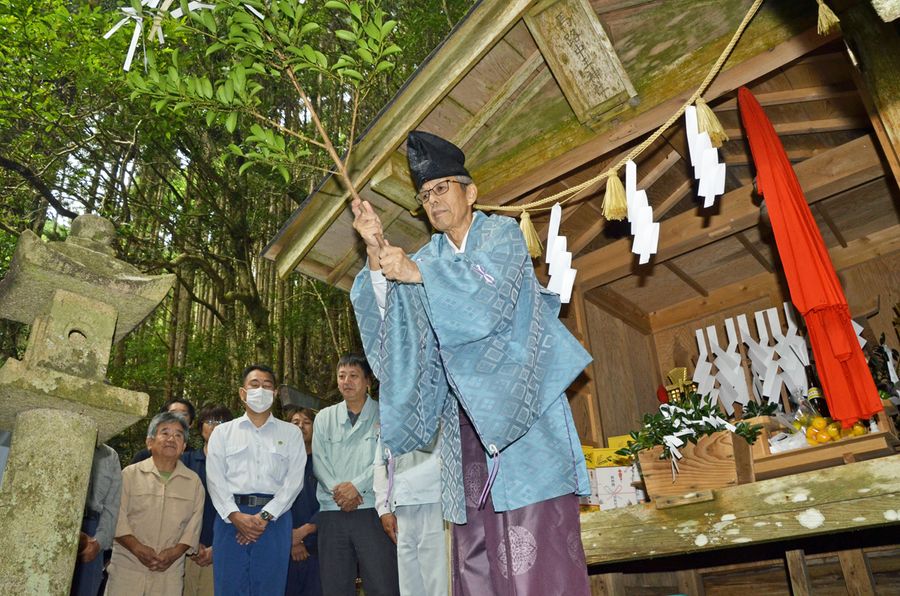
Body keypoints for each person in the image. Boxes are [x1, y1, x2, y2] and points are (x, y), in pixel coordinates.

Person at [350, 130, 592, 595]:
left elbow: (486, 302)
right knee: (478, 564)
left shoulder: (501, 236)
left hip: (526, 433)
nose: (432, 201)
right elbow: (395, 338)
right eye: (424, 195)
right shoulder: (430, 258)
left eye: (442, 188)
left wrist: (417, 272)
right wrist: (376, 252)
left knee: (538, 566)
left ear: (470, 192)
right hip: (466, 439)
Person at [206, 364, 306, 596]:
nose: (260, 390)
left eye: (267, 385)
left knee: (270, 587)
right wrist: (235, 515)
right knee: (229, 587)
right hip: (230, 518)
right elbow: (215, 479)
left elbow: (294, 482)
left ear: (274, 394)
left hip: (274, 519)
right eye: (254, 384)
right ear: (242, 393)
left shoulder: (290, 433)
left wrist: (264, 517)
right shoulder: (222, 433)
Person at [313, 354, 399, 596]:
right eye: (341, 376)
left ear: (368, 381)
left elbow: (386, 460)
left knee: (383, 583)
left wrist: (357, 487)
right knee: (335, 585)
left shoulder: (386, 414)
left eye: (353, 376)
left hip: (372, 510)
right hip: (332, 511)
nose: (346, 381)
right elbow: (319, 463)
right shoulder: (324, 417)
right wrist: (339, 492)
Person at [105, 412, 204, 595]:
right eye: (164, 433)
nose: (171, 439)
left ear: (183, 447)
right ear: (149, 442)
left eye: (178, 435)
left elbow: (193, 527)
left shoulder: (194, 482)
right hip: (127, 568)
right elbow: (116, 517)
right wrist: (137, 548)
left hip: (169, 572)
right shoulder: (129, 475)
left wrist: (174, 553)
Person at [373, 430, 446, 596]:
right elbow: (379, 463)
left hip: (435, 500)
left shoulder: (439, 406)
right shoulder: (389, 414)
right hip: (401, 505)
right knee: (409, 586)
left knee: (438, 582)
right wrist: (383, 508)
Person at [182, 404, 234, 596]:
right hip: (185, 551)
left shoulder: (237, 466)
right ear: (200, 426)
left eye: (221, 422)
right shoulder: (186, 461)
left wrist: (217, 548)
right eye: (210, 421)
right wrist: (190, 544)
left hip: (223, 550)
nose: (215, 426)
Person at [71, 443, 122, 596]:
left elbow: (113, 505)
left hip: (94, 531)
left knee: (86, 590)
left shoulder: (110, 455)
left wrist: (99, 542)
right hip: (63, 524)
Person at [283, 406, 322, 596]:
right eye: (295, 423)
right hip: (284, 545)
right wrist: (292, 540)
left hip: (319, 546)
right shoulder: (280, 461)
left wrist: (306, 531)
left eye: (306, 422)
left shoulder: (325, 460)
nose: (301, 427)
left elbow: (331, 501)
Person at [130, 398, 196, 464]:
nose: (177, 417)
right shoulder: (143, 456)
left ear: (191, 423)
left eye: (183, 414)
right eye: (173, 413)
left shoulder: (194, 459)